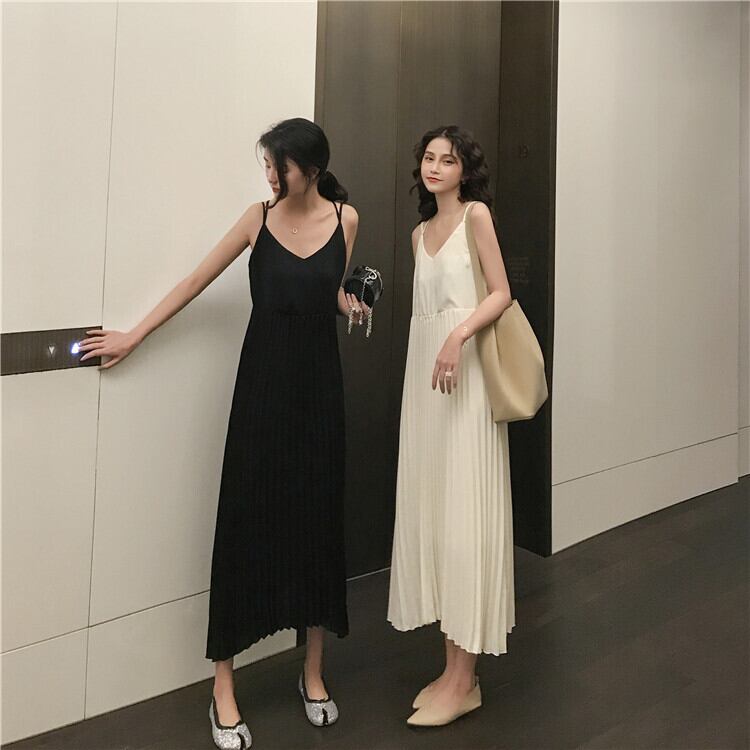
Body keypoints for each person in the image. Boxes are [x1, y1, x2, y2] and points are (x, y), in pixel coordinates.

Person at [80, 117, 368, 749]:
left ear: (310, 170)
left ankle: (312, 673)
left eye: (277, 166)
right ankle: (223, 686)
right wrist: (134, 334)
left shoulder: (345, 219)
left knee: (317, 518)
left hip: (319, 391)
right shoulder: (255, 220)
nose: (269, 175)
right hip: (262, 387)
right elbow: (194, 282)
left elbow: (331, 291)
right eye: (266, 164)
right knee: (246, 518)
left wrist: (350, 303)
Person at [387, 125, 514, 727]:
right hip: (426, 382)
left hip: (465, 378)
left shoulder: (475, 217)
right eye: (429, 158)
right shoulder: (418, 235)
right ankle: (451, 670)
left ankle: (465, 680)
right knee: (437, 511)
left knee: (466, 512)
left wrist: (458, 336)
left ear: (466, 170)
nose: (436, 167)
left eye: (448, 159)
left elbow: (501, 293)